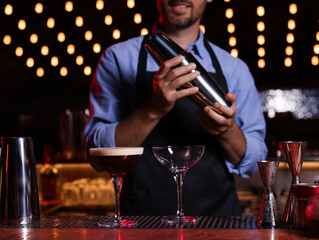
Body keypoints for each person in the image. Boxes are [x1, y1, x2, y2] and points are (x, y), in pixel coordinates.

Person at [85, 0, 267, 216]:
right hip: (142, 224)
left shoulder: (234, 68)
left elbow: (254, 165)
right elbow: (96, 155)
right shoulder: (118, 59)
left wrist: (227, 130)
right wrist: (152, 109)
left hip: (217, 222)